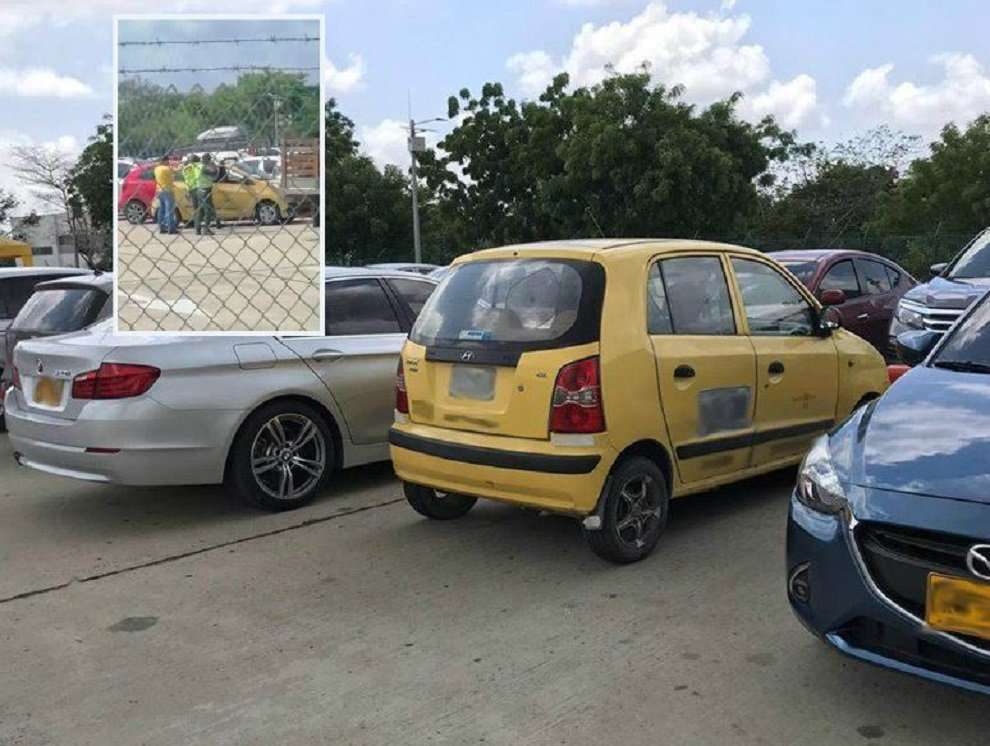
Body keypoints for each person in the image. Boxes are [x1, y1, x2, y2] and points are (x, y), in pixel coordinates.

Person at [153, 154, 177, 235]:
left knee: (161, 209)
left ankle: (162, 227)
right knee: (169, 210)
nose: (169, 162)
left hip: (159, 190)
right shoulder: (167, 169)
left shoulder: (156, 169)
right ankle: (171, 228)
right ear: (165, 160)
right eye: (168, 160)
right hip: (168, 190)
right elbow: (172, 178)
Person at [195, 154, 218, 236]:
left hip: (200, 189)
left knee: (200, 210)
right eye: (209, 160)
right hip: (205, 190)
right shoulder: (204, 167)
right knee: (208, 210)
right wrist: (214, 166)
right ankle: (206, 229)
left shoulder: (199, 166)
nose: (210, 161)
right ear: (207, 160)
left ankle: (198, 229)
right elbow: (213, 173)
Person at [181, 155, 201, 227]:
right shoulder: (194, 167)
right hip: (197, 188)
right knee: (201, 208)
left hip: (190, 189)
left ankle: (197, 226)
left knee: (195, 208)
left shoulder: (185, 169)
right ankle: (199, 225)